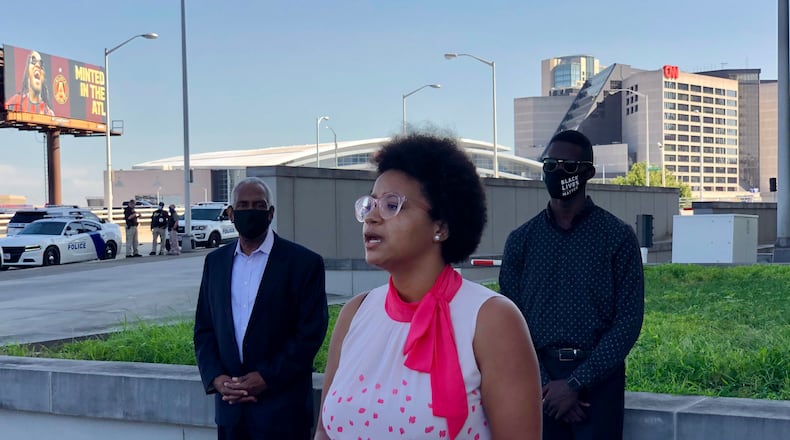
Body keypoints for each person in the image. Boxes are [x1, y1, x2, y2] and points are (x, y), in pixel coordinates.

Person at [316, 134, 542, 440]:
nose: (371, 216)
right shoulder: (354, 314)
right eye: (370, 204)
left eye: (391, 204)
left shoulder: (492, 320)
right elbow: (324, 432)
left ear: (441, 226)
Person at [499, 129, 645, 440]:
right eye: (550, 165)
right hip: (539, 382)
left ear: (587, 173)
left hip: (599, 383)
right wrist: (546, 386)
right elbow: (512, 323)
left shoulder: (617, 237)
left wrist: (576, 384)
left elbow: (628, 321)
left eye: (566, 166)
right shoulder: (521, 241)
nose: (556, 172)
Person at [194, 176, 329, 440]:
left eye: (258, 205)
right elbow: (204, 328)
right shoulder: (215, 263)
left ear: (270, 213)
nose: (250, 211)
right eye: (243, 205)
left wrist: (266, 378)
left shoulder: (304, 263)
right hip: (230, 412)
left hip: (283, 411)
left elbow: (309, 334)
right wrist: (217, 379)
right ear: (231, 213)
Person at [4, 50, 55, 116]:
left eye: (41, 64)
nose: (38, 66)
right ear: (27, 71)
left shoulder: (48, 112)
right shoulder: (16, 100)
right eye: (33, 61)